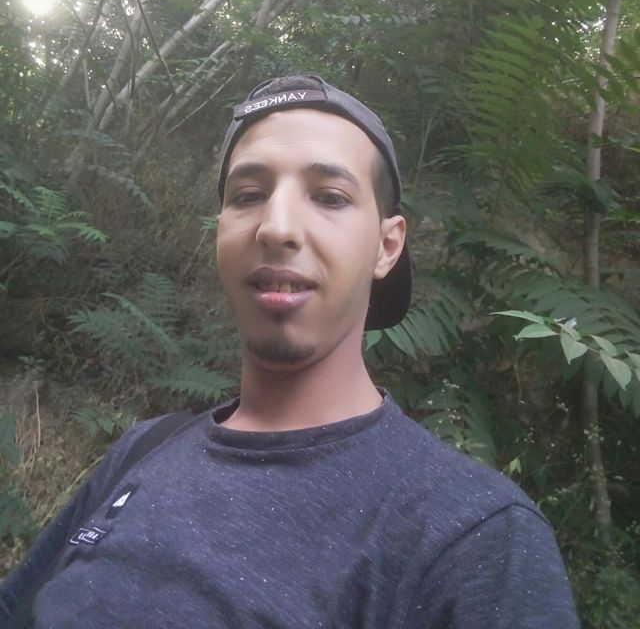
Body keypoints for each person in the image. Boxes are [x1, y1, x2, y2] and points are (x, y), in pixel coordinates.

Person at [1, 74, 580, 628]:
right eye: (248, 195)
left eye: (329, 197)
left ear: (387, 246)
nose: (276, 227)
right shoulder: (143, 450)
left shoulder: (473, 536)